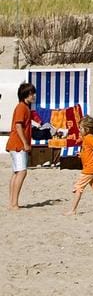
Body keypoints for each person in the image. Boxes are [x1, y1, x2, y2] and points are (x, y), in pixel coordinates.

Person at [7, 82, 36, 210]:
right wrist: (25, 143)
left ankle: (12, 202)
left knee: (17, 172)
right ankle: (14, 203)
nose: (33, 96)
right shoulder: (22, 107)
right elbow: (18, 126)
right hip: (18, 144)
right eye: (31, 93)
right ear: (26, 94)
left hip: (15, 143)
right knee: (22, 172)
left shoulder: (24, 108)